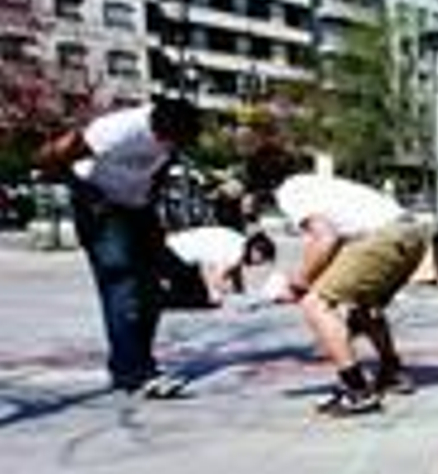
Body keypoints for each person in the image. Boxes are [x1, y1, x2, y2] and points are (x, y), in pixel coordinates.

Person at [34, 97, 203, 398]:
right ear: (153, 126)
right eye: (165, 140)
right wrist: (87, 193)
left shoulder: (174, 134)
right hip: (101, 207)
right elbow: (49, 158)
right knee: (121, 283)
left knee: (151, 291)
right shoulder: (115, 131)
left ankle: (133, 364)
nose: (168, 146)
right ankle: (134, 373)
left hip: (138, 208)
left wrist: (152, 198)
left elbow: (163, 166)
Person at [271, 171, 430, 416]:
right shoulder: (321, 185)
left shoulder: (290, 193)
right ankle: (392, 372)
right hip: (413, 235)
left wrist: (299, 284)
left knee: (315, 304)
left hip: (384, 236)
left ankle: (357, 391)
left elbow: (325, 239)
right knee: (364, 305)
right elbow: (340, 247)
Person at [156, 225, 276, 308]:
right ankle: (159, 297)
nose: (259, 264)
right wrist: (214, 293)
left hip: (177, 250)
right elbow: (212, 273)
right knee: (197, 301)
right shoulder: (237, 252)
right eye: (262, 260)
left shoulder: (240, 244)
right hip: (176, 255)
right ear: (256, 251)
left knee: (197, 295)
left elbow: (235, 273)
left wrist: (240, 292)